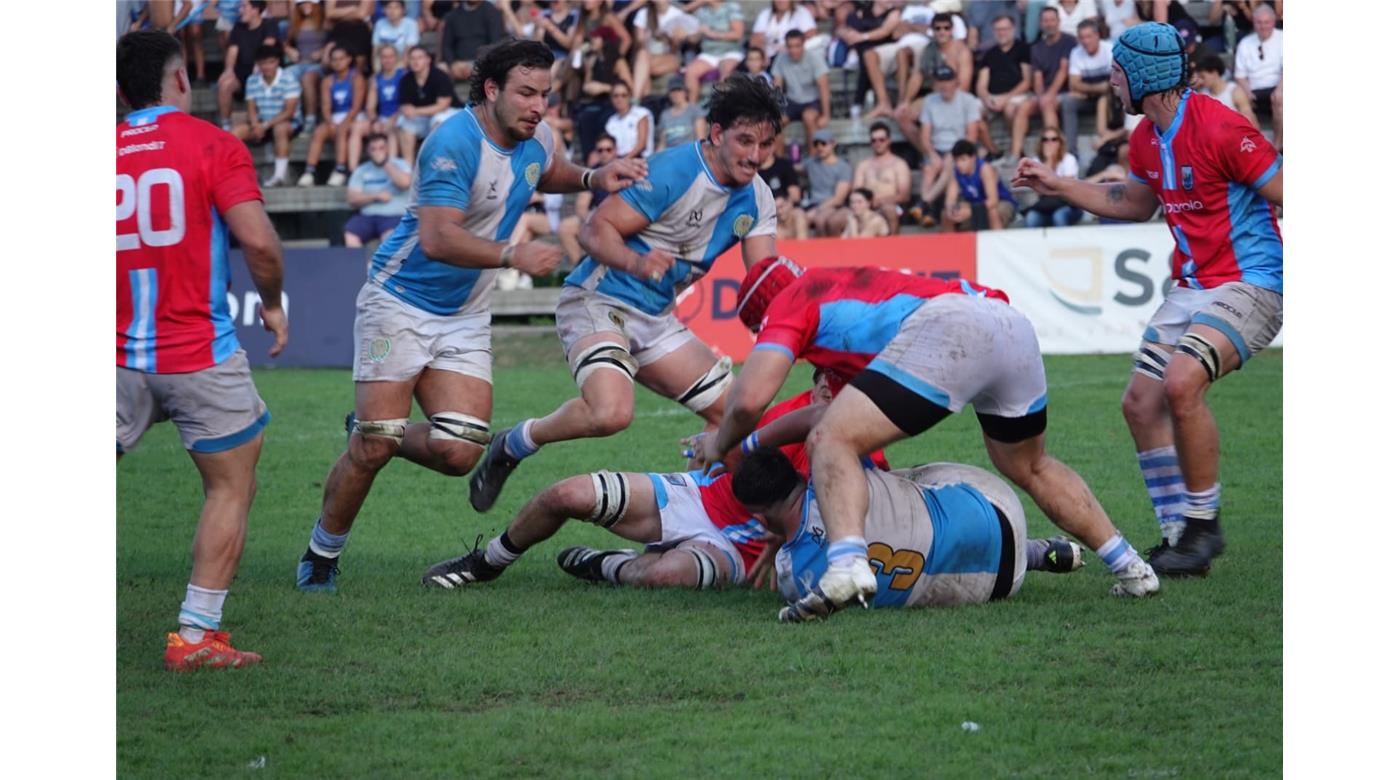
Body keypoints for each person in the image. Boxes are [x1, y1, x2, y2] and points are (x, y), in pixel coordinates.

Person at [295, 40, 648, 592]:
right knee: (374, 447)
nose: (538, 106)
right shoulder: (452, 142)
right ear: (491, 89)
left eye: (545, 94)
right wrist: (512, 254)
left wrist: (591, 178)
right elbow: (437, 239)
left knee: (460, 451)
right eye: (526, 93)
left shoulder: (537, 137)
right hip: (400, 302)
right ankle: (321, 554)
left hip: (463, 314)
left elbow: (546, 169)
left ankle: (373, 430)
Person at [699, 257, 1159, 607]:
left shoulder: (790, 302)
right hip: (1007, 323)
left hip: (952, 327)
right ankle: (1131, 566)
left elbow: (751, 400)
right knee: (1031, 466)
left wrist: (722, 444)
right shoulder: (839, 297)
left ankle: (848, 564)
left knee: (832, 440)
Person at [1011, 21, 1282, 575]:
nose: (1111, 83)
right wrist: (1058, 185)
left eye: (1117, 73)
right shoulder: (1144, 138)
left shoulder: (1222, 127)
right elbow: (1133, 203)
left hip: (1252, 282)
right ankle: (1179, 535)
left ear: (1143, 76)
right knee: (1139, 403)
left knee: (1181, 383)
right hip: (1193, 287)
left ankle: (1202, 528)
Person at [468, 74, 783, 514]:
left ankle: (699, 519)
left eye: (765, 145)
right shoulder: (674, 171)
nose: (755, 156)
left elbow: (765, 278)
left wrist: (793, 316)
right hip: (599, 301)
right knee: (611, 413)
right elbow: (594, 230)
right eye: (745, 141)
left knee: (740, 422)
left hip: (655, 318)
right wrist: (637, 263)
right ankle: (514, 442)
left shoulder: (759, 198)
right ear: (717, 133)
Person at [117, 30, 289, 670]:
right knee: (230, 485)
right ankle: (195, 637)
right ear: (183, 78)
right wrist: (272, 304)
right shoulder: (214, 143)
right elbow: (260, 243)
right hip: (198, 352)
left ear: (120, 94)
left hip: (109, 354)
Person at [733, 448, 1084, 621]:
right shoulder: (837, 473)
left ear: (761, 516)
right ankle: (1034, 551)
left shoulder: (792, 577)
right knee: (899, 481)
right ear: (796, 475)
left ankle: (1033, 555)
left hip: (997, 587)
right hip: (999, 507)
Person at [909, 65, 981, 227]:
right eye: (941, 81)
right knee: (930, 168)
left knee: (949, 164)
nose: (944, 85)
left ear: (956, 81)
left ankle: (924, 203)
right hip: (937, 148)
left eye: (948, 80)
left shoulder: (968, 100)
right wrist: (931, 153)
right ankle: (927, 212)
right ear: (935, 84)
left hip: (960, 148)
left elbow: (972, 135)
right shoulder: (929, 101)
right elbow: (925, 135)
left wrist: (955, 152)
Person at [233, 45, 303, 188]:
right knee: (235, 133)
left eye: (270, 62)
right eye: (263, 63)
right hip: (261, 123)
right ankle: (241, 174)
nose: (266, 66)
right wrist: (255, 125)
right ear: (258, 64)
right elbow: (251, 108)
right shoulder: (252, 80)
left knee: (280, 129)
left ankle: (279, 176)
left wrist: (264, 126)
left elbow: (289, 112)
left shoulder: (289, 78)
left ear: (277, 61)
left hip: (288, 123)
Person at [1013, 7, 1075, 165]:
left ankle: (1054, 155)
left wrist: (1048, 96)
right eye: (1045, 21)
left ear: (1059, 22)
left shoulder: (1069, 41)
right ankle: (1015, 154)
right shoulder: (1036, 48)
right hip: (1044, 94)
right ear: (1040, 24)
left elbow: (1063, 71)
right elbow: (1037, 77)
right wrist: (1041, 96)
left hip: (1064, 92)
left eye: (1052, 20)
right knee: (1023, 108)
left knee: (1047, 105)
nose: (1049, 24)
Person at [297, 44, 365, 187]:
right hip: (336, 116)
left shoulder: (356, 78)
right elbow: (326, 106)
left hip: (354, 116)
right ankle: (309, 171)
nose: (338, 62)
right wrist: (330, 122)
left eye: (341, 59)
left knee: (342, 130)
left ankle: (340, 169)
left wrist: (344, 122)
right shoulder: (327, 81)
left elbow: (356, 106)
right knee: (319, 132)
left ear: (349, 60)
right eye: (334, 59)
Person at [216, 0, 279, 130]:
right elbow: (232, 51)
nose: (240, 11)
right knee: (225, 84)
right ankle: (226, 125)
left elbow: (268, 46)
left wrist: (258, 66)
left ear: (255, 9)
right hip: (243, 72)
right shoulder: (238, 27)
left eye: (244, 7)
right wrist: (229, 70)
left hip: (263, 70)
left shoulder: (269, 24)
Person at [974, 14, 1031, 154]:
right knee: (972, 111)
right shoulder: (989, 54)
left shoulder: (1024, 49)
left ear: (1013, 29)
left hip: (1017, 95)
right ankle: (992, 151)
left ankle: (1017, 150)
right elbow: (981, 85)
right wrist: (986, 98)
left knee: (1010, 109)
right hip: (992, 96)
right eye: (998, 29)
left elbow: (1027, 81)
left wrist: (1005, 98)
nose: (1001, 33)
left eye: (1005, 29)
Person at [344, 133, 412, 247]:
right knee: (350, 234)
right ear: (368, 151)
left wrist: (385, 163)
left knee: (390, 237)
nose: (377, 152)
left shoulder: (401, 164)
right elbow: (352, 199)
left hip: (394, 216)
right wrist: (375, 196)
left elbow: (405, 183)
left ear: (387, 149)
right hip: (367, 217)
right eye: (373, 149)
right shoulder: (361, 170)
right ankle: (359, 259)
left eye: (381, 148)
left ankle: (386, 259)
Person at [770, 29, 831, 154]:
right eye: (790, 46)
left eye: (797, 46)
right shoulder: (781, 59)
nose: (793, 50)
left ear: (803, 45)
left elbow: (824, 87)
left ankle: (813, 159)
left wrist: (826, 115)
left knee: (808, 117)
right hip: (792, 101)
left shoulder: (815, 58)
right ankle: (780, 160)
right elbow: (777, 88)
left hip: (812, 101)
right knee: (775, 123)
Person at [396, 44, 460, 162]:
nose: (416, 61)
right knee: (405, 122)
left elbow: (443, 105)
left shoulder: (440, 76)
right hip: (424, 117)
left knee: (437, 120)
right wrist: (409, 111)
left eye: (420, 58)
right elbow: (405, 106)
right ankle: (408, 166)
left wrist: (416, 111)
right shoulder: (406, 80)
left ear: (428, 60)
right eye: (412, 58)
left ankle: (435, 163)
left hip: (450, 113)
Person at [349, 44, 407, 172]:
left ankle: (391, 170)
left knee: (391, 131)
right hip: (382, 118)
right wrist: (375, 120)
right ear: (379, 59)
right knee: (356, 127)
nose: (387, 60)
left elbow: (406, 104)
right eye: (384, 57)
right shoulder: (375, 78)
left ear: (396, 58)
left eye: (390, 56)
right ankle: (353, 171)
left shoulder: (403, 75)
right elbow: (370, 107)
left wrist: (393, 119)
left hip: (399, 117)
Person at [1062, 18, 1113, 161]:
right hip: (1088, 98)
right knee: (1068, 102)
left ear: (1097, 35)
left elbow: (1116, 82)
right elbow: (1074, 84)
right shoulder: (1076, 52)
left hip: (1109, 98)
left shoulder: (1109, 49)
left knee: (1106, 98)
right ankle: (1071, 152)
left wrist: (1086, 89)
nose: (1085, 41)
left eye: (1089, 36)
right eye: (1082, 37)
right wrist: (1100, 88)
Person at [1232, 3, 1281, 150]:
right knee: (1238, 97)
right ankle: (1259, 146)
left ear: (1273, 22)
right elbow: (1240, 75)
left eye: (1266, 22)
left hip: (1278, 86)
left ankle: (1277, 145)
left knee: (1281, 98)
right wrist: (1247, 92)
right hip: (1253, 88)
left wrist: (1279, 89)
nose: (1263, 26)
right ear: (1253, 23)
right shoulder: (1245, 43)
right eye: (1259, 22)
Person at [852, 121, 912, 235]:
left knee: (889, 209)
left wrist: (879, 201)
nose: (877, 143)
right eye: (874, 140)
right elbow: (856, 191)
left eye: (881, 140)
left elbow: (904, 195)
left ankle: (892, 244)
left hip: (892, 206)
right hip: (865, 207)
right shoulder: (863, 165)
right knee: (840, 218)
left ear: (889, 140)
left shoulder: (899, 164)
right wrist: (867, 204)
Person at [942, 139, 1016, 231]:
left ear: (973, 158)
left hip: (1001, 202)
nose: (959, 164)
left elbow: (993, 201)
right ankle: (951, 240)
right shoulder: (956, 172)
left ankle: (997, 239)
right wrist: (951, 210)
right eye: (956, 160)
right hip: (975, 205)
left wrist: (971, 211)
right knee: (946, 214)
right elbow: (950, 200)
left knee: (992, 212)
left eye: (963, 160)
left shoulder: (984, 169)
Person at [683, 0, 745, 104]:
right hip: (709, 53)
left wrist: (711, 34)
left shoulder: (732, 7)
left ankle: (722, 105)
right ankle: (692, 107)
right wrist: (691, 36)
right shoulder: (702, 11)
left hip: (730, 51)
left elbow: (737, 34)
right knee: (690, 72)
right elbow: (694, 38)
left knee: (725, 70)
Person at [1022, 130, 1082, 227]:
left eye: (1054, 139)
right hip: (1046, 205)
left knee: (1059, 216)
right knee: (1031, 217)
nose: (1049, 143)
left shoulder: (1069, 159)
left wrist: (1049, 189)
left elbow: (1066, 188)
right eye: (1045, 140)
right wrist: (1049, 161)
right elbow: (1040, 191)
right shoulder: (1036, 161)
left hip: (1068, 204)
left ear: (1060, 142)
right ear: (1041, 143)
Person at [803, 128, 853, 236]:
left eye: (823, 143)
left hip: (834, 206)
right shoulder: (811, 163)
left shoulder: (843, 167)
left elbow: (838, 199)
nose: (820, 147)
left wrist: (817, 210)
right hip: (812, 204)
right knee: (798, 220)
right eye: (816, 144)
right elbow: (793, 169)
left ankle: (827, 247)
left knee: (821, 220)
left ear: (833, 144)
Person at [441, 0, 506, 82]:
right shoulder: (453, 15)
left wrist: (477, 63)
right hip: (457, 63)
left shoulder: (492, 12)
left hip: (482, 62)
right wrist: (452, 64)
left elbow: (495, 43)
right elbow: (446, 45)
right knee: (440, 70)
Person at [1192, 54, 1257, 128]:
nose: (1201, 81)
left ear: (1214, 73)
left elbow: (1250, 120)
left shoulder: (1235, 92)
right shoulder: (1202, 94)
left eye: (1203, 77)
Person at [655, 74, 707, 151]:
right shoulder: (664, 115)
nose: (676, 93)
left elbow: (700, 140)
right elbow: (662, 144)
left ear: (685, 92)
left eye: (679, 89)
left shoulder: (695, 110)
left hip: (689, 152)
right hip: (670, 153)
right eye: (673, 90)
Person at [604, 80, 654, 159]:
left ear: (630, 96)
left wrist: (625, 160)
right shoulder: (611, 121)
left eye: (623, 95)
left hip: (640, 159)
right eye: (616, 96)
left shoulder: (641, 114)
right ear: (611, 98)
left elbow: (642, 144)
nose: (619, 99)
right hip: (618, 160)